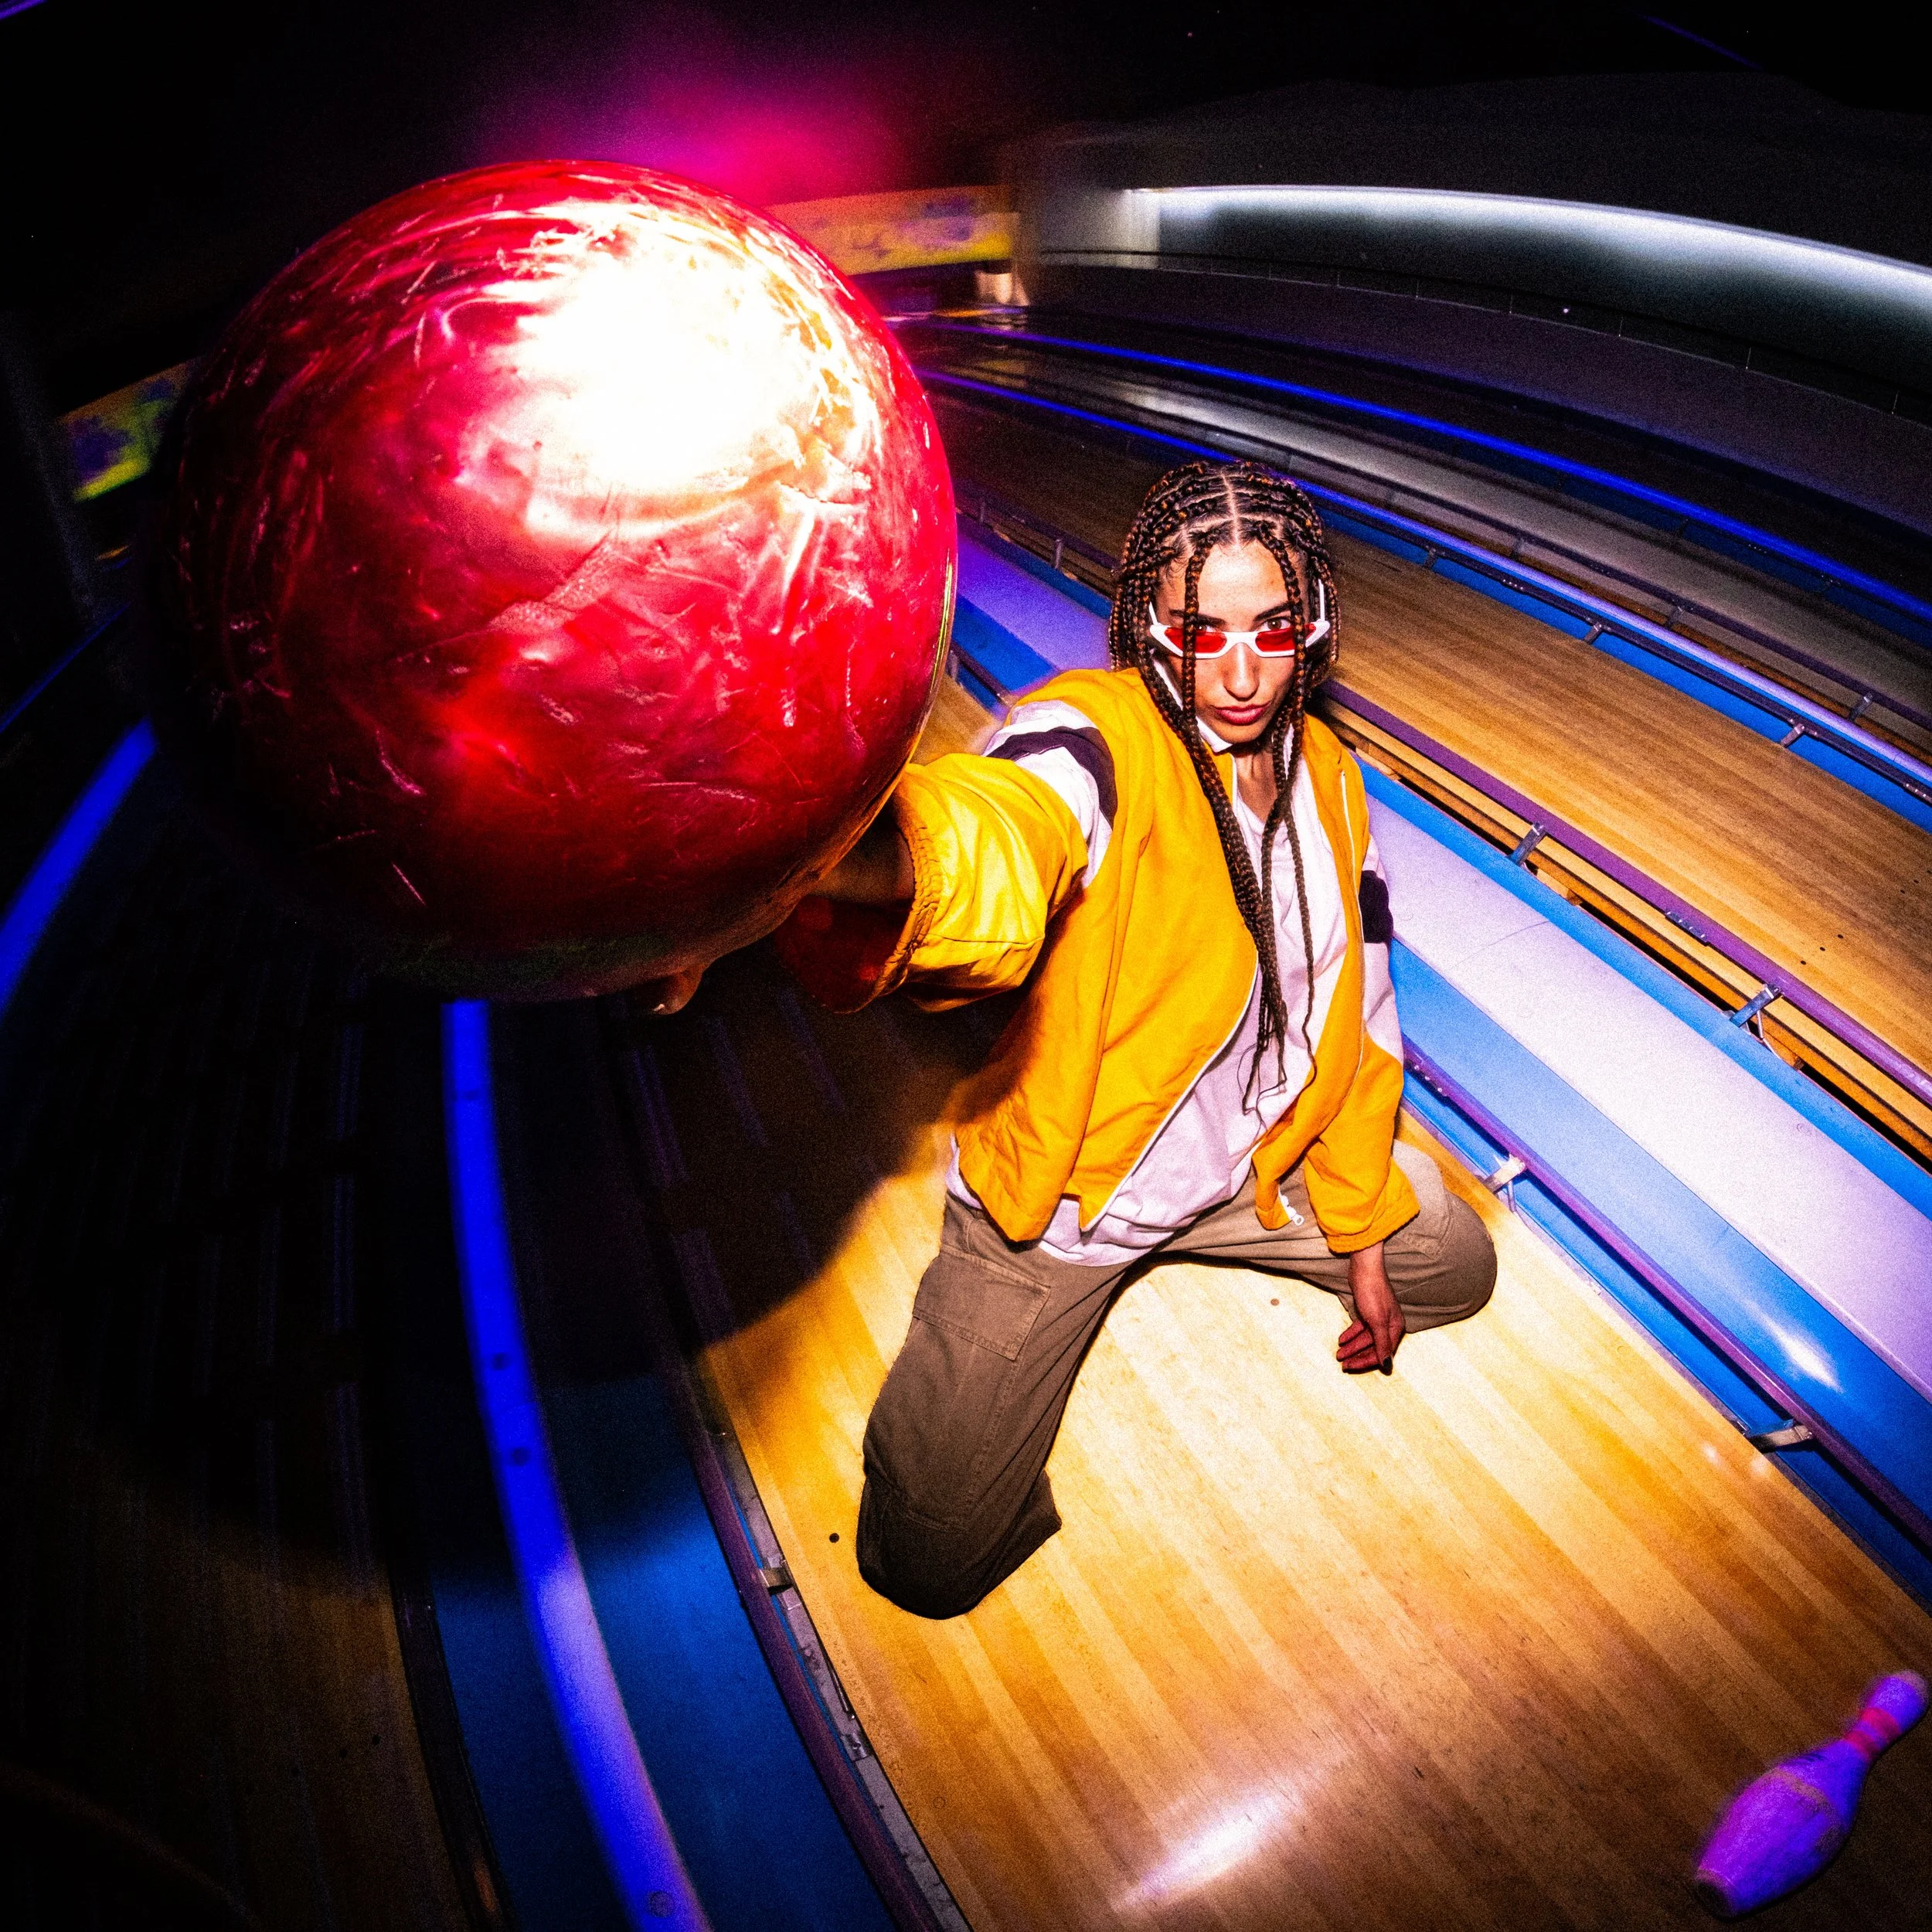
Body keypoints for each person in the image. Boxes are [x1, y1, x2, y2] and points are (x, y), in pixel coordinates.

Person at [777, 457, 1496, 1620]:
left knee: (1454, 1263)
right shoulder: (1097, 736)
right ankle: (1059, 1313)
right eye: (1202, 633)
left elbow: (1360, 1012)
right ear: (1149, 628)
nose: (1243, 673)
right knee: (923, 1561)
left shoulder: (1331, 781)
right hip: (1077, 1202)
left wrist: (1360, 1219)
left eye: (1273, 629)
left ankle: (1277, 1217)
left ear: (1313, 623)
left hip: (1246, 1175)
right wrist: (824, 862)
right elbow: (1007, 823)